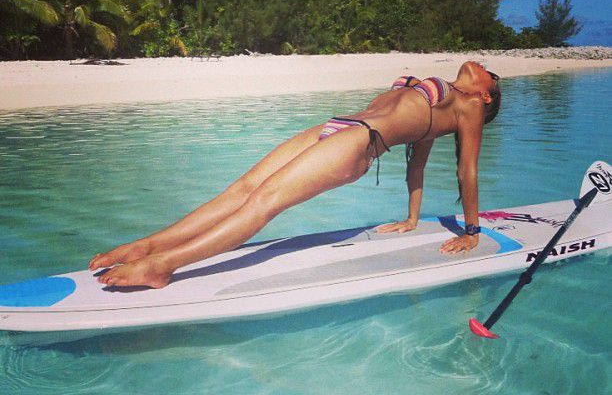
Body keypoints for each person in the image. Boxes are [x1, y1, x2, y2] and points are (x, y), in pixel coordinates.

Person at [90, 61, 501, 288]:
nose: (484, 66)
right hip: (341, 125)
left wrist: (471, 230)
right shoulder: (444, 102)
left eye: (491, 77)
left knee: (263, 203)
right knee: (244, 188)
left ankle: (164, 266)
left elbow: (467, 170)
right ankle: (148, 246)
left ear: (485, 95)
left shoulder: (471, 109)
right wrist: (413, 218)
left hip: (361, 141)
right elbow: (417, 162)